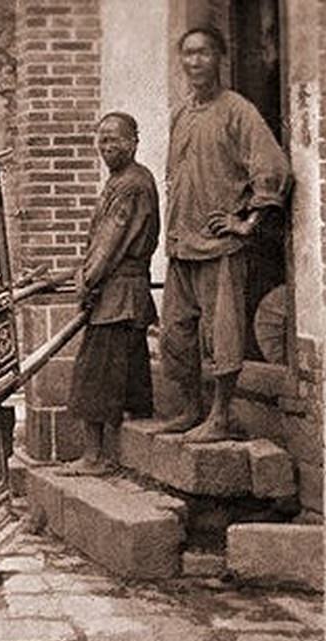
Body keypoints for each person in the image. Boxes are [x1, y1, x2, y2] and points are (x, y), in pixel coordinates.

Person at [156, 26, 291, 442]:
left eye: (204, 54)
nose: (195, 62)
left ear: (220, 59)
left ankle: (221, 416)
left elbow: (273, 169)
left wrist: (246, 222)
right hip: (182, 243)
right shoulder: (182, 113)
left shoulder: (238, 110)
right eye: (188, 54)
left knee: (223, 334)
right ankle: (191, 408)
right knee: (176, 334)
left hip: (220, 246)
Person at [60, 112, 160, 476]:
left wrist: (87, 280)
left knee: (95, 373)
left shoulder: (132, 184)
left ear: (134, 141)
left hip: (119, 293)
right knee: (130, 370)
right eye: (102, 140)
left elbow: (110, 244)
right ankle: (126, 455)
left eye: (115, 139)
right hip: (124, 291)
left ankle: (95, 457)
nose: (107, 147)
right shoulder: (121, 180)